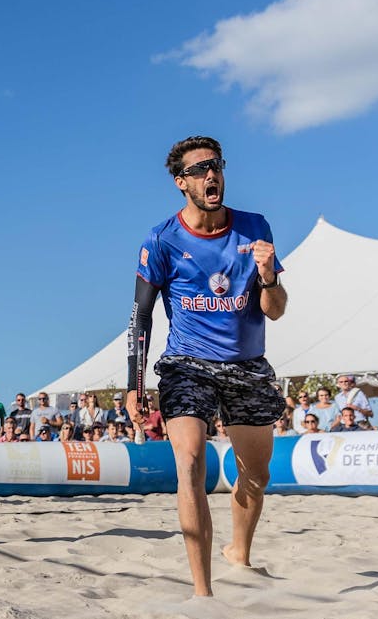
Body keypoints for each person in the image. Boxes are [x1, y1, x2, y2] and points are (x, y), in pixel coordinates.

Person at [125, 136, 288, 598]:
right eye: (198, 170)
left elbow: (274, 309)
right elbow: (140, 316)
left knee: (255, 475)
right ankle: (203, 593)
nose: (210, 175)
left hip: (247, 364)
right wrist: (135, 383)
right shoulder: (161, 239)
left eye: (215, 165)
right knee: (191, 461)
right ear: (181, 183)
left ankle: (239, 551)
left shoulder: (255, 227)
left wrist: (270, 276)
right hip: (186, 364)